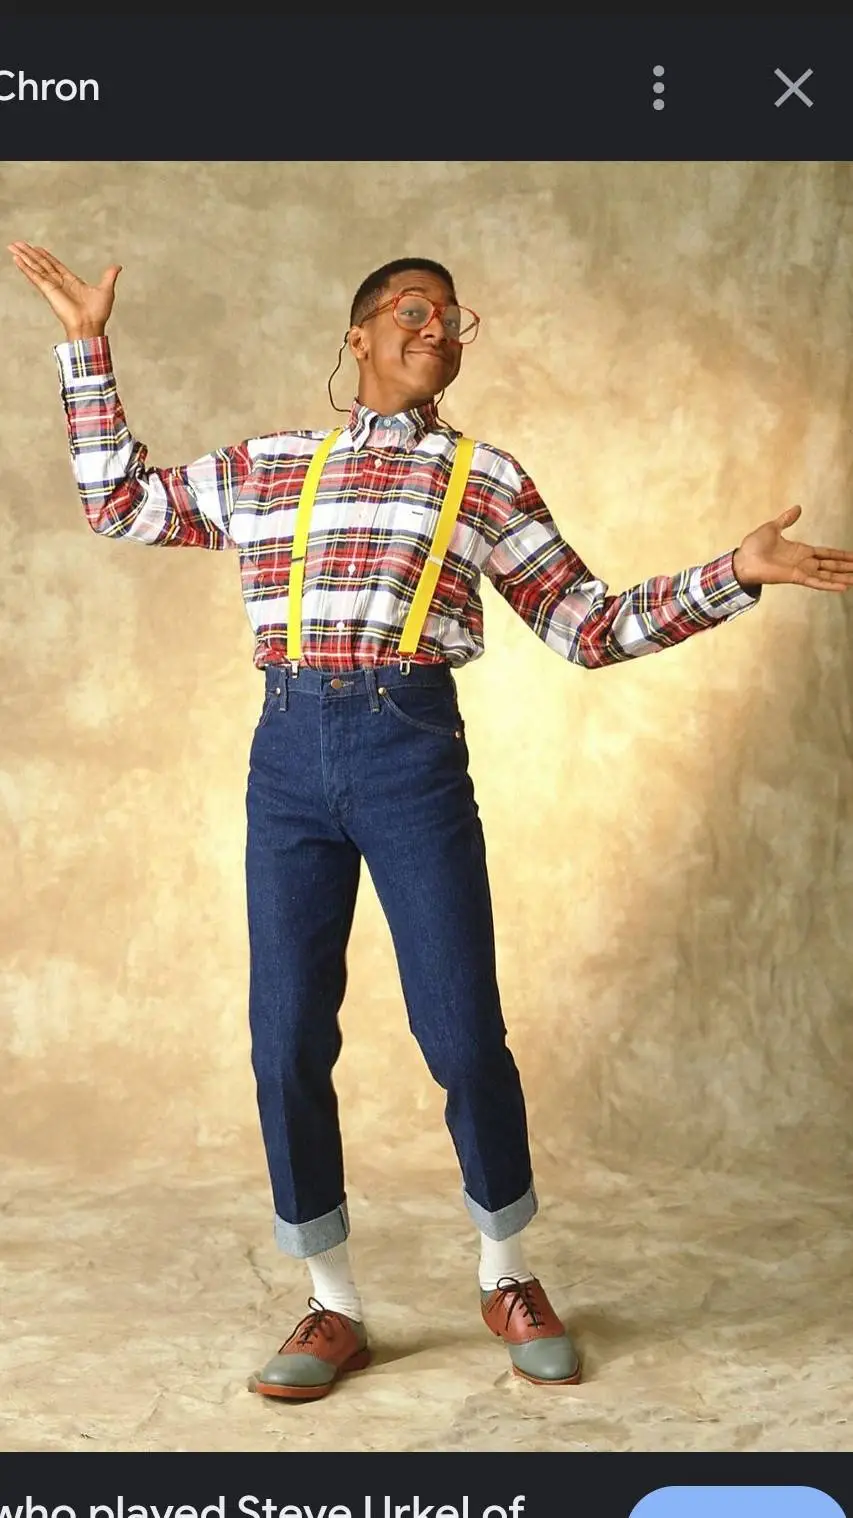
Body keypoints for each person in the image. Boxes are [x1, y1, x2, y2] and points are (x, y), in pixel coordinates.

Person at [10, 240, 853, 1404]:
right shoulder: (272, 466)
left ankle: (506, 1273)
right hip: (286, 756)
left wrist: (734, 573)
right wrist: (86, 346)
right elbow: (118, 503)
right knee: (285, 1037)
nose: (437, 327)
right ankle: (332, 1303)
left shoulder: (483, 478)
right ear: (356, 335)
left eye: (453, 318)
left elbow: (586, 625)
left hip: (409, 752)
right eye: (413, 308)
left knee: (461, 1034)